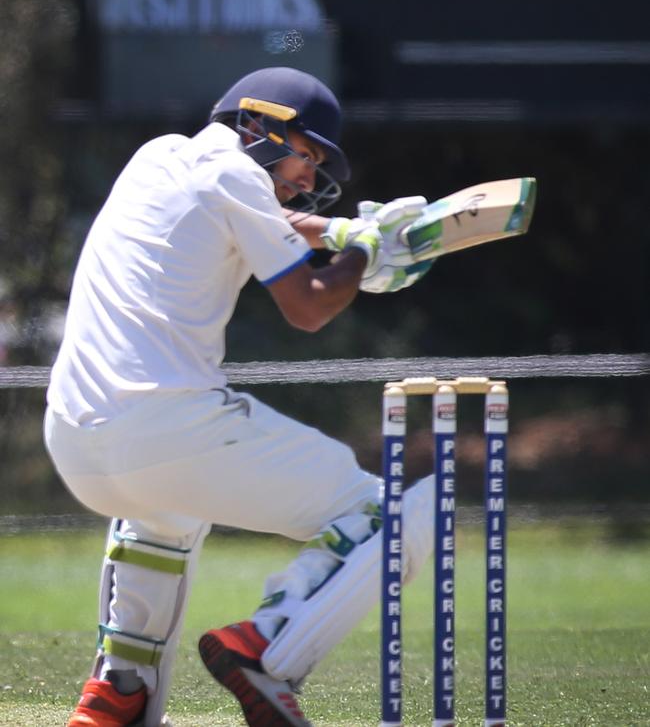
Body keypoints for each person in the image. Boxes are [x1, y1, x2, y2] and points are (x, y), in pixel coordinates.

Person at [44, 66, 437, 727]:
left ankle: (122, 686)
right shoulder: (235, 178)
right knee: (389, 512)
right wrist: (366, 251)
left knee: (164, 512)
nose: (310, 177)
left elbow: (265, 215)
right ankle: (265, 648)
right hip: (167, 427)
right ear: (257, 124)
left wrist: (338, 233)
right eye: (307, 153)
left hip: (74, 440)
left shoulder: (159, 157)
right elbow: (308, 308)